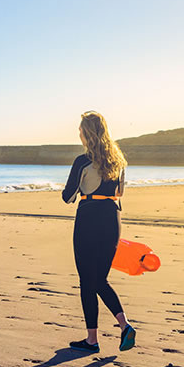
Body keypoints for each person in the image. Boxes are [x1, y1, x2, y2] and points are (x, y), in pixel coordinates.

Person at [61, 111, 135, 353]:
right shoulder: (119, 161)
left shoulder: (82, 161)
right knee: (100, 278)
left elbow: (68, 197)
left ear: (86, 133)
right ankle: (124, 326)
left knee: (87, 279)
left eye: (80, 129)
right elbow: (120, 193)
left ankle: (92, 339)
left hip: (89, 218)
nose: (78, 133)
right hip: (112, 218)